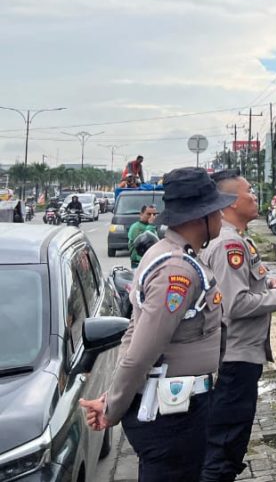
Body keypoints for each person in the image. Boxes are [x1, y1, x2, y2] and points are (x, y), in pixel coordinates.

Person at [78, 167, 235, 481]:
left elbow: (136, 334)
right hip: (173, 417)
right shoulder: (175, 271)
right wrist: (112, 409)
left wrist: (111, 398)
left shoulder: (169, 254)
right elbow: (141, 351)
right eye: (216, 211)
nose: (221, 218)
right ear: (198, 217)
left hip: (177, 409)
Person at [200, 170, 276, 482]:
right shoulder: (228, 245)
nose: (255, 196)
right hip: (234, 360)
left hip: (239, 357)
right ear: (231, 202)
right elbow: (234, 305)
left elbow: (236, 289)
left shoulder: (237, 240)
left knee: (229, 442)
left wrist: (268, 284)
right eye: (249, 192)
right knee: (224, 447)